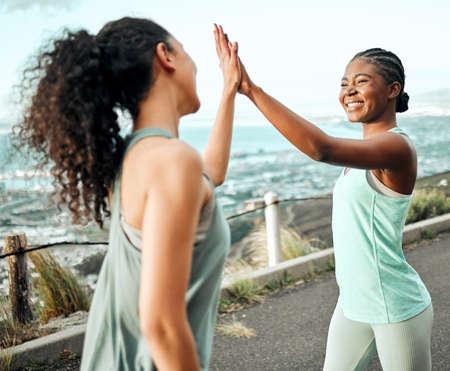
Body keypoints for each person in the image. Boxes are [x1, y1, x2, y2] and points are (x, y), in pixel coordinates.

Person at [14, 18, 240, 371]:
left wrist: (230, 91)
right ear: (165, 55)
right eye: (186, 52)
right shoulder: (171, 160)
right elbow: (161, 326)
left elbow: (211, 176)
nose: (195, 66)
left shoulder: (136, 158)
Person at [234, 42, 433, 370]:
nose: (349, 90)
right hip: (352, 304)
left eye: (361, 81)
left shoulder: (396, 146)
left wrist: (252, 90)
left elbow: (320, 148)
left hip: (395, 307)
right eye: (344, 83)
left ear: (392, 90)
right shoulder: (364, 150)